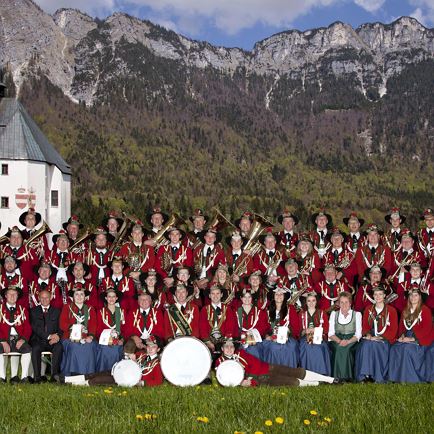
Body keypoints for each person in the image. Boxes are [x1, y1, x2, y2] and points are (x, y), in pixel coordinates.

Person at [215, 338, 339, 387]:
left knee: (295, 372)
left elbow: (256, 363)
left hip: (267, 368)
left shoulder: (241, 354)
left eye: (231, 346)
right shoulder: (220, 363)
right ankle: (318, 384)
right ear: (222, 349)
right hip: (260, 379)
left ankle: (330, 379)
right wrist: (243, 382)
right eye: (226, 347)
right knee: (290, 381)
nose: (230, 349)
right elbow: (224, 380)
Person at [61, 335, 164, 387]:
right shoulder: (142, 354)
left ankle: (73, 384)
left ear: (158, 349)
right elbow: (128, 356)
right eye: (149, 346)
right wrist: (130, 356)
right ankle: (66, 380)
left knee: (97, 380)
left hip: (128, 380)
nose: (150, 349)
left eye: (153, 347)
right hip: (123, 372)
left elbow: (158, 381)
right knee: (95, 374)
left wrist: (141, 383)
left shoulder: (157, 364)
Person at [389, 288, 433, 383]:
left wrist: (413, 338)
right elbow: (401, 327)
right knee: (394, 348)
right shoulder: (406, 310)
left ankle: (410, 379)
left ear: (420, 297)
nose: (413, 297)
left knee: (406, 349)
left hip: (421, 339)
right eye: (411, 295)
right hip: (407, 336)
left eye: (416, 295)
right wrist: (402, 336)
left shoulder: (425, 310)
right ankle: (396, 378)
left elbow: (427, 328)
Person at [355, 286, 398, 383]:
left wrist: (380, 337)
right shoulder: (368, 309)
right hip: (370, 337)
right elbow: (365, 326)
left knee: (374, 345)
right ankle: (365, 375)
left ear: (384, 296)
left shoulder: (391, 311)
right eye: (375, 294)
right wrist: (368, 335)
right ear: (373, 296)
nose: (378, 296)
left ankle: (376, 375)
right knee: (366, 345)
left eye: (380, 294)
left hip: (385, 339)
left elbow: (393, 330)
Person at [253, 286, 300, 368]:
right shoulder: (266, 310)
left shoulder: (291, 309)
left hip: (287, 338)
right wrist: (268, 336)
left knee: (290, 347)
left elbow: (296, 326)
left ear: (284, 296)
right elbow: (263, 327)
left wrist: (286, 335)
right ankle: (272, 372)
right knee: (273, 347)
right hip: (271, 337)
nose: (279, 296)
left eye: (281, 294)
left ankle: (290, 372)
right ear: (273, 296)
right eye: (276, 294)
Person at [59, 286, 97, 376]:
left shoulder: (90, 309)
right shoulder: (67, 308)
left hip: (86, 337)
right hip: (69, 337)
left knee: (90, 345)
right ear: (72, 297)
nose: (79, 297)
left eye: (81, 294)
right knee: (75, 346)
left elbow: (93, 325)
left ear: (85, 297)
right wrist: (73, 327)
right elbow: (62, 324)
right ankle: (73, 373)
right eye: (76, 294)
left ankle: (88, 373)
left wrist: (91, 336)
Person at [30, 289, 63, 382]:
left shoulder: (57, 311)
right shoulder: (33, 311)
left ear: (51, 298)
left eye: (47, 297)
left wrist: (57, 336)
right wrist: (49, 336)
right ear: (39, 298)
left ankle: (54, 375)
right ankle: (37, 377)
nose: (44, 300)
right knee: (35, 348)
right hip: (38, 340)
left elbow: (61, 327)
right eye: (42, 298)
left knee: (59, 347)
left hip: (53, 340)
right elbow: (36, 328)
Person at [0, 286, 32, 383]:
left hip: (18, 339)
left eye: (15, 294)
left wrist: (23, 339)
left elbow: (28, 327)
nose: (12, 296)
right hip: (3, 339)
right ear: (5, 296)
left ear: (18, 296)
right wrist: (2, 341)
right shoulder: (0, 309)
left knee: (27, 348)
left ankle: (23, 377)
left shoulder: (23, 310)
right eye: (10, 294)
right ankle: (2, 377)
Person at [328, 291, 362, 381]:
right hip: (336, 338)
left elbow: (358, 334)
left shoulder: (357, 314)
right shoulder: (334, 314)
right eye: (341, 302)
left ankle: (347, 377)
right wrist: (339, 341)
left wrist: (348, 341)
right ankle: (337, 377)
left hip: (352, 339)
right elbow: (330, 333)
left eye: (346, 302)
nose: (344, 304)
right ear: (338, 303)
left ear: (350, 303)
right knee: (339, 347)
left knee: (346, 348)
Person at [299, 292, 331, 375]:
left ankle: (321, 373)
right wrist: (304, 331)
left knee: (318, 348)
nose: (311, 303)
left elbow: (326, 328)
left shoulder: (322, 313)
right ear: (306, 302)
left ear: (316, 302)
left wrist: (316, 330)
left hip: (319, 337)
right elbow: (298, 330)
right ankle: (307, 373)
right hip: (305, 338)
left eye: (313, 300)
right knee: (307, 347)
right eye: (309, 301)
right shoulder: (302, 314)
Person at [199, 286, 238, 353]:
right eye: (213, 293)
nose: (215, 296)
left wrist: (225, 342)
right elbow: (202, 327)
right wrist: (208, 342)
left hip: (224, 341)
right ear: (209, 295)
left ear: (221, 295)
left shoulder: (228, 309)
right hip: (209, 342)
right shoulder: (204, 309)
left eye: (218, 293)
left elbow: (230, 326)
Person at [95, 288, 125, 371]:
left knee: (116, 348)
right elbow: (98, 328)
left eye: (113, 297)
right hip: (104, 340)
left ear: (116, 298)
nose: (111, 299)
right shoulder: (101, 311)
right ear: (106, 298)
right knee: (105, 348)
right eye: (109, 297)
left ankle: (116, 372)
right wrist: (107, 339)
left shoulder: (121, 312)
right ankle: (102, 372)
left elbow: (124, 328)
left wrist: (122, 339)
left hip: (117, 339)